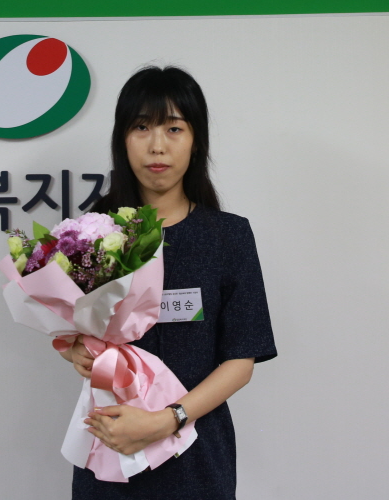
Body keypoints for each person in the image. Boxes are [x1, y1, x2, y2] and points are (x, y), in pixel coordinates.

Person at [59, 66, 277, 499]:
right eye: (142, 127)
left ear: (196, 141)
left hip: (197, 456)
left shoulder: (228, 236)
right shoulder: (92, 234)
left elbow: (241, 360)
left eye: (174, 128)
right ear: (122, 139)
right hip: (110, 449)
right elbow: (73, 328)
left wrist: (168, 419)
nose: (157, 145)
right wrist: (76, 350)